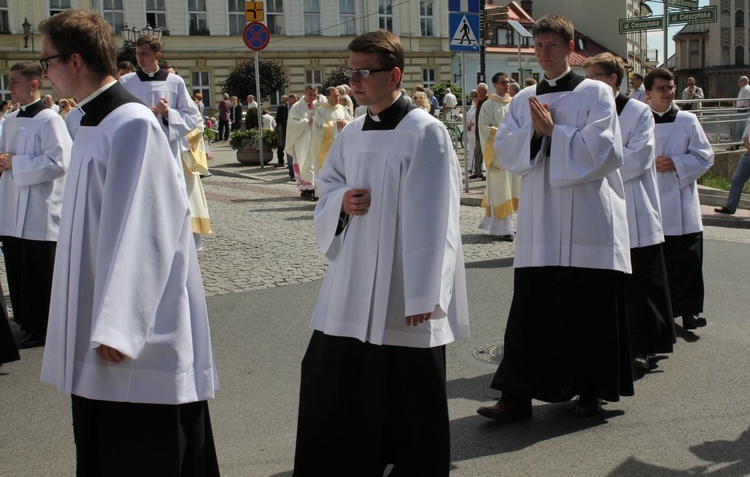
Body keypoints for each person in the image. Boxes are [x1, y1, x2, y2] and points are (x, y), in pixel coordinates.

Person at [38, 10, 220, 475]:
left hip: (135, 333)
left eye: (48, 62)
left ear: (74, 61)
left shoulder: (131, 123)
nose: (45, 74)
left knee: (143, 446)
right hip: (99, 319)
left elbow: (148, 231)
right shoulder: (93, 124)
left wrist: (119, 326)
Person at [293, 29, 469, 477]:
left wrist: (425, 294)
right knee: (330, 374)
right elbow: (328, 184)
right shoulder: (352, 132)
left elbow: (438, 218)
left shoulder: (425, 132)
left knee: (406, 388)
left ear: (393, 74)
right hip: (352, 277)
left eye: (363, 72)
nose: (354, 80)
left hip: (401, 283)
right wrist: (340, 202)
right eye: (350, 71)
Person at [476, 14, 633, 422]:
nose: (543, 54)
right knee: (532, 307)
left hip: (586, 216)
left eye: (552, 47)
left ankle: (591, 393)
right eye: (538, 46)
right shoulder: (523, 98)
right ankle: (516, 398)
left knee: (589, 307)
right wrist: (533, 133)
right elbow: (505, 149)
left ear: (569, 49)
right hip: (541, 216)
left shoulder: (596, 93)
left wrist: (554, 134)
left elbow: (606, 150)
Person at [583, 53, 675, 371]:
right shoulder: (590, 111)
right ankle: (617, 344)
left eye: (593, 77)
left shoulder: (638, 112)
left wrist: (592, 167)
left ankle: (643, 346)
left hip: (635, 208)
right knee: (614, 287)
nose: (586, 84)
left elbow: (638, 158)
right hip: (601, 207)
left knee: (640, 287)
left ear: (611, 79)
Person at [0, 61, 72, 349]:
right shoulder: (12, 119)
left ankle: (43, 328)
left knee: (39, 272)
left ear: (33, 84)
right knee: (17, 267)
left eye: (14, 82)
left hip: (39, 210)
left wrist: (15, 163)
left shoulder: (50, 120)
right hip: (11, 205)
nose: (9, 87)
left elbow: (60, 162)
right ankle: (25, 322)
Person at [646, 68, 714, 331]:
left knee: (686, 260)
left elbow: (705, 156)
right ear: (649, 92)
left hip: (681, 200)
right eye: (661, 88)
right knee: (657, 264)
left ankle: (690, 312)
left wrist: (676, 163)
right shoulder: (640, 121)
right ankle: (663, 312)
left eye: (671, 87)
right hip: (651, 200)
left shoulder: (687, 120)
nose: (668, 92)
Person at [120, 35, 201, 164]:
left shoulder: (175, 81)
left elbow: (192, 117)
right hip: (138, 143)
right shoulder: (126, 81)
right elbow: (119, 114)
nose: (140, 58)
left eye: (144, 54)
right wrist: (144, 114)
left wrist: (168, 113)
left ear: (157, 56)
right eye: (137, 53)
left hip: (167, 145)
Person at [477, 72, 520, 240]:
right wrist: (505, 133)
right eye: (503, 82)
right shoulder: (488, 105)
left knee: (511, 189)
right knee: (500, 190)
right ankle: (503, 228)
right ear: (495, 84)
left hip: (512, 153)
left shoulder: (514, 103)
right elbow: (484, 129)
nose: (506, 85)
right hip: (497, 155)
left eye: (508, 82)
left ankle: (504, 225)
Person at [285, 84, 322, 199]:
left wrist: (319, 98)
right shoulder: (297, 107)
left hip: (315, 140)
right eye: (310, 94)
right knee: (304, 163)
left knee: (314, 163)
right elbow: (293, 122)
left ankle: (315, 188)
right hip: (302, 140)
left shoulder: (318, 105)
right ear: (305, 93)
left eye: (314, 94)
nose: (312, 97)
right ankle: (305, 189)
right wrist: (307, 121)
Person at [310, 86, 351, 173]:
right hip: (326, 147)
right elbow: (319, 128)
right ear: (327, 97)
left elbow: (350, 122)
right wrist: (335, 125)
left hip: (342, 145)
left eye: (338, 96)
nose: (338, 98)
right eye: (335, 96)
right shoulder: (320, 110)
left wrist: (344, 123)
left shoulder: (342, 108)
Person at [716, 119, 750, 215]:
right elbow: (745, 136)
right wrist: (747, 146)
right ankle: (730, 207)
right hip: (748, 154)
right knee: (737, 179)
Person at [469, 82, 488, 179]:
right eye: (478, 91)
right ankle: (478, 171)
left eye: (480, 91)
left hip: (486, 132)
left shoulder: (488, 101)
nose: (479, 93)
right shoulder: (479, 101)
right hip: (478, 132)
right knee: (477, 153)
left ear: (485, 91)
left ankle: (487, 174)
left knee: (487, 154)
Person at [276, 95, 290, 170]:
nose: (282, 100)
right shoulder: (281, 107)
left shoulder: (285, 107)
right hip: (283, 128)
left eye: (283, 98)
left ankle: (284, 162)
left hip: (287, 128)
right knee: (281, 145)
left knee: (284, 145)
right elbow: (278, 119)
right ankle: (281, 161)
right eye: (281, 98)